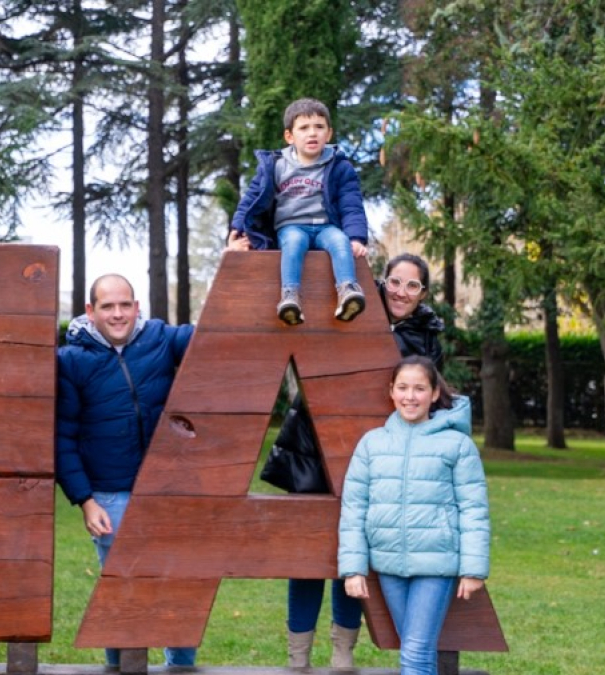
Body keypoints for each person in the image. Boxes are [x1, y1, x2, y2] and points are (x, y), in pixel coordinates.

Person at [256, 253, 445, 668]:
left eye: (412, 286)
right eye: (395, 281)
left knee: (353, 553)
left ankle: (343, 653)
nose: (401, 292)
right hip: (312, 447)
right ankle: (298, 657)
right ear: (382, 282)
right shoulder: (347, 306)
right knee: (307, 555)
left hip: (375, 457)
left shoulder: (428, 338)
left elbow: (428, 401)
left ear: (423, 293)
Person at [54, 274, 197, 668]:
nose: (117, 314)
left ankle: (181, 666)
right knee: (123, 591)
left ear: (137, 307)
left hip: (167, 491)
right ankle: (120, 668)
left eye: (124, 305)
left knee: (177, 586)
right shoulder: (71, 361)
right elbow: (62, 436)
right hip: (109, 495)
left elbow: (217, 332)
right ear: (90, 311)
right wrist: (84, 500)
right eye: (107, 306)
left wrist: (236, 262)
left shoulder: (161, 339)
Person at [338, 356, 490, 675]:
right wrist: (353, 569)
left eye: (419, 388)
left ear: (434, 394)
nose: (411, 396)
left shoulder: (457, 445)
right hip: (389, 563)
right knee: (413, 648)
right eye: (403, 387)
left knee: (416, 651)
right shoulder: (371, 444)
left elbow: (474, 509)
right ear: (391, 391)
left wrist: (474, 568)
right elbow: (354, 508)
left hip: (436, 565)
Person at [229, 97, 369, 325]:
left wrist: (356, 237)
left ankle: (348, 291)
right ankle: (290, 296)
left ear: (329, 133)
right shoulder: (275, 165)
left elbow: (351, 204)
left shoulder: (339, 167)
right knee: (293, 245)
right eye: (304, 128)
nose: (312, 133)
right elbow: (251, 197)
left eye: (319, 127)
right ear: (290, 136)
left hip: (326, 226)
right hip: (291, 226)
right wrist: (237, 227)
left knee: (340, 242)